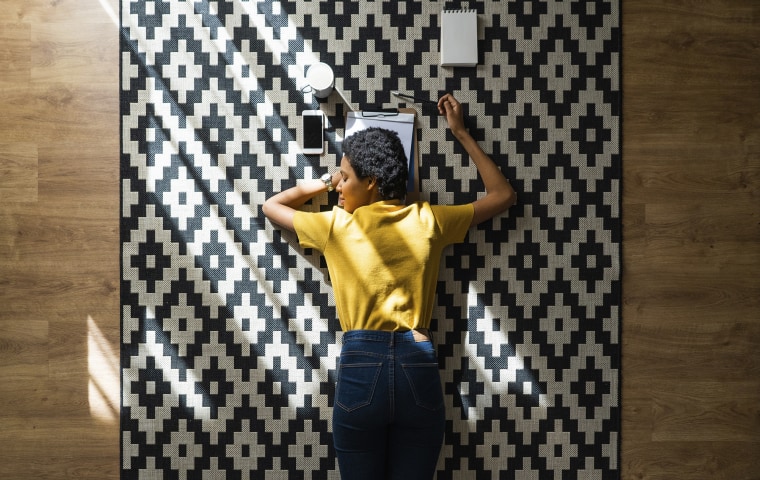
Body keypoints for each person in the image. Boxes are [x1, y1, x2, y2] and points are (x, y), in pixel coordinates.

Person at [262, 93, 516, 479]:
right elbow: (503, 195)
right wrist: (461, 134)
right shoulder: (428, 219)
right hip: (417, 361)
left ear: (372, 183)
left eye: (345, 177)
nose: (338, 186)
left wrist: (320, 183)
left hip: (361, 364)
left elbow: (272, 206)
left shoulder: (336, 226)